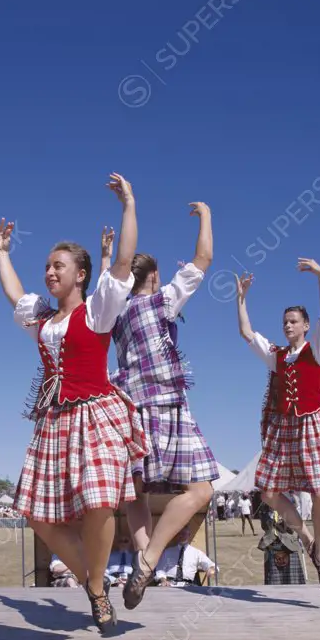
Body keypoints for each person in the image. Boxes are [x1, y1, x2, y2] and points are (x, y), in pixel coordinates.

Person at [0, 172, 145, 635]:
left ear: (80, 274)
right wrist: (1, 252)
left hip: (96, 412)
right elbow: (16, 296)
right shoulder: (42, 320)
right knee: (38, 516)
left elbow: (122, 263)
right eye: (46, 266)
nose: (50, 272)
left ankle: (97, 589)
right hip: (53, 421)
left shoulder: (97, 310)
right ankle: (94, 586)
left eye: (58, 265)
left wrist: (129, 206)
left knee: (101, 503)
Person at [108, 201, 218, 610]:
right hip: (168, 405)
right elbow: (204, 258)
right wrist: (206, 214)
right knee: (201, 490)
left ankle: (142, 561)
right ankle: (151, 559)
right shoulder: (163, 301)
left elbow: (110, 277)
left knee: (134, 493)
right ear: (154, 277)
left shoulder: (115, 317)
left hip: (130, 410)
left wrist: (108, 256)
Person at [235, 259, 320, 592]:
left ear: (304, 325)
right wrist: (241, 298)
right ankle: (307, 537)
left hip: (312, 421)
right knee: (269, 492)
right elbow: (246, 333)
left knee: (319, 493)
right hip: (284, 428)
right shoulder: (277, 355)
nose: (287, 325)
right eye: (284, 321)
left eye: (293, 321)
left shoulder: (317, 349)